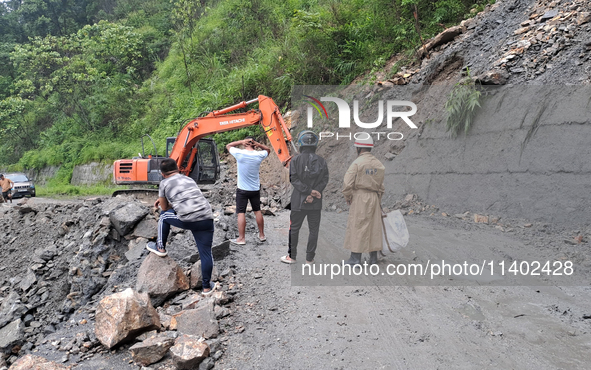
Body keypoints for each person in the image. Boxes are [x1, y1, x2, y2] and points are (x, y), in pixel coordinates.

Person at [146, 158, 218, 296]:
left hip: (189, 219)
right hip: (206, 218)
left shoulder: (164, 183)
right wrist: (172, 202)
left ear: (162, 173)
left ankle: (160, 247)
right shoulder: (189, 180)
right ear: (177, 169)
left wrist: (163, 202)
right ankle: (207, 288)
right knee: (206, 253)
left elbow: (165, 208)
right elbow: (187, 199)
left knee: (164, 216)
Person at [281, 131, 329, 265]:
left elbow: (294, 179)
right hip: (316, 202)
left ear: (301, 143)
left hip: (298, 201)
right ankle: (309, 259)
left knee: (294, 228)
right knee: (314, 230)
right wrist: (315, 192)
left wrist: (308, 192)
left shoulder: (295, 160)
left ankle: (292, 257)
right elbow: (325, 179)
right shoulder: (321, 161)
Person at [342, 135, 385, 266]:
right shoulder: (379, 164)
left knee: (358, 225)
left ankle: (355, 258)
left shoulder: (357, 163)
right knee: (374, 227)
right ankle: (373, 259)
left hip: (360, 197)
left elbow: (347, 183)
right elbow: (381, 186)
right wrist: (378, 199)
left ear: (358, 148)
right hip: (374, 197)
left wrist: (348, 196)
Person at [226, 136, 270, 245]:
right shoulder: (259, 155)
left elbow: (228, 146)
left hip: (242, 189)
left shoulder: (239, 153)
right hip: (255, 189)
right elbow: (268, 150)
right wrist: (258, 144)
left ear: (245, 143)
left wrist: (241, 141)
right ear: (254, 144)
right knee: (257, 211)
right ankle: (262, 235)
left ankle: (241, 239)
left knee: (241, 213)